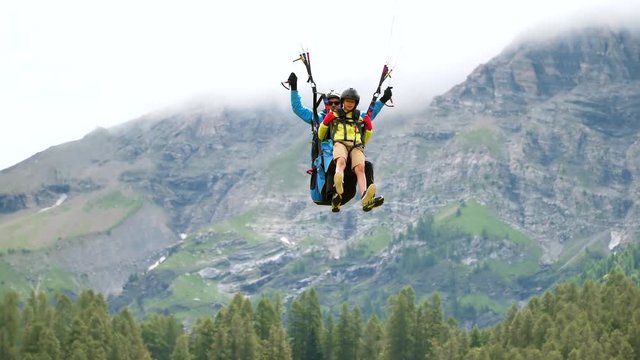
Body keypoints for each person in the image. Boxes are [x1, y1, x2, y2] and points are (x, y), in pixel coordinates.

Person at [287, 72, 392, 211]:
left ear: (341, 103)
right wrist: (294, 88)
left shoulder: (351, 117)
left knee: (366, 166)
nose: (333, 105)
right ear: (326, 104)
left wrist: (383, 99)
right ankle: (333, 193)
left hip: (349, 157)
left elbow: (369, 115)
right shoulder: (319, 119)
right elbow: (298, 109)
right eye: (330, 103)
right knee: (334, 162)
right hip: (331, 160)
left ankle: (367, 197)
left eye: (337, 103)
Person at [318, 88, 379, 212]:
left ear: (355, 103)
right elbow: (320, 135)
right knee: (341, 161)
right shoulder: (334, 115)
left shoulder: (359, 116)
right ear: (343, 102)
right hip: (340, 143)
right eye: (347, 101)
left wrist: (369, 129)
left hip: (356, 146)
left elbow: (364, 140)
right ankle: (337, 184)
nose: (350, 104)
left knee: (360, 168)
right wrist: (325, 123)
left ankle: (365, 196)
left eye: (352, 102)